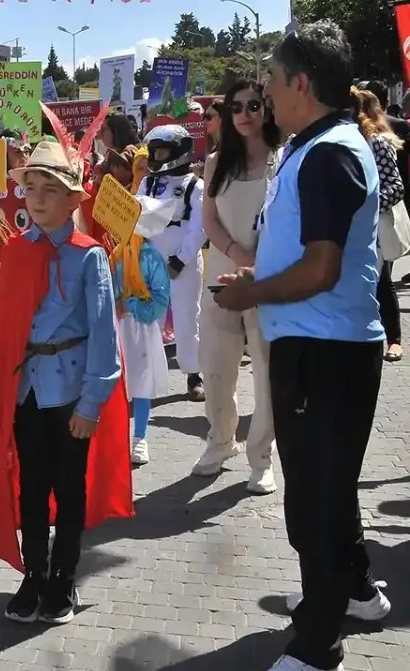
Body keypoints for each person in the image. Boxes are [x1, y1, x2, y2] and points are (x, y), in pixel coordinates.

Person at [215, 21, 390, 671]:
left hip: (326, 349)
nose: (265, 90)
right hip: (316, 343)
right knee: (328, 486)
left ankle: (319, 643)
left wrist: (252, 293)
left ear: (302, 84)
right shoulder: (314, 146)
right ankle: (358, 590)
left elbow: (321, 267)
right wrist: (255, 280)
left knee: (314, 498)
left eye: (273, 78)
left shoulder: (331, 153)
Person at [0, 140, 131, 626]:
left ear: (74, 200)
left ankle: (64, 577)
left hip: (70, 394)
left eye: (52, 189)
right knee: (30, 487)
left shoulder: (89, 257)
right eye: (31, 188)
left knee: (69, 489)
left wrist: (91, 403)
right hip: (27, 391)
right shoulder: (16, 250)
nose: (39, 198)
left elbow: (103, 335)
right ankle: (35, 574)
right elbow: (8, 327)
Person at [191, 81, 282, 494]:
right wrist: (235, 252)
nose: (245, 113)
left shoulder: (284, 159)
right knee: (215, 364)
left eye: (253, 104)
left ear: (267, 108)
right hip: (223, 273)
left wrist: (258, 263)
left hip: (269, 277)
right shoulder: (216, 162)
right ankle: (220, 440)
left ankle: (261, 457)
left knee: (265, 369)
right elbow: (209, 219)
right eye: (236, 106)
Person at [137, 125, 207, 401]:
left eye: (161, 151)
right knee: (150, 320)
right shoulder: (148, 183)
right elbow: (138, 215)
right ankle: (152, 376)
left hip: (182, 259)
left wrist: (181, 259)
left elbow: (199, 227)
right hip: (152, 258)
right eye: (153, 151)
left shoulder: (194, 186)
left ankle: (193, 373)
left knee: (187, 317)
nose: (155, 156)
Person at [109, 194, 172, 466]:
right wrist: (114, 304)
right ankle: (116, 437)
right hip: (117, 328)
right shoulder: (114, 256)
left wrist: (132, 305)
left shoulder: (152, 259)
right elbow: (106, 288)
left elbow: (160, 299)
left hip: (142, 330)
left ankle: (140, 438)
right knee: (118, 383)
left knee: (142, 383)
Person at [352, 87, 406, 363]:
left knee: (382, 281)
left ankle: (394, 339)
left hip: (375, 227)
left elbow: (395, 187)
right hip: (350, 229)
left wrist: (368, 210)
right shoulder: (341, 143)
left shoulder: (377, 143)